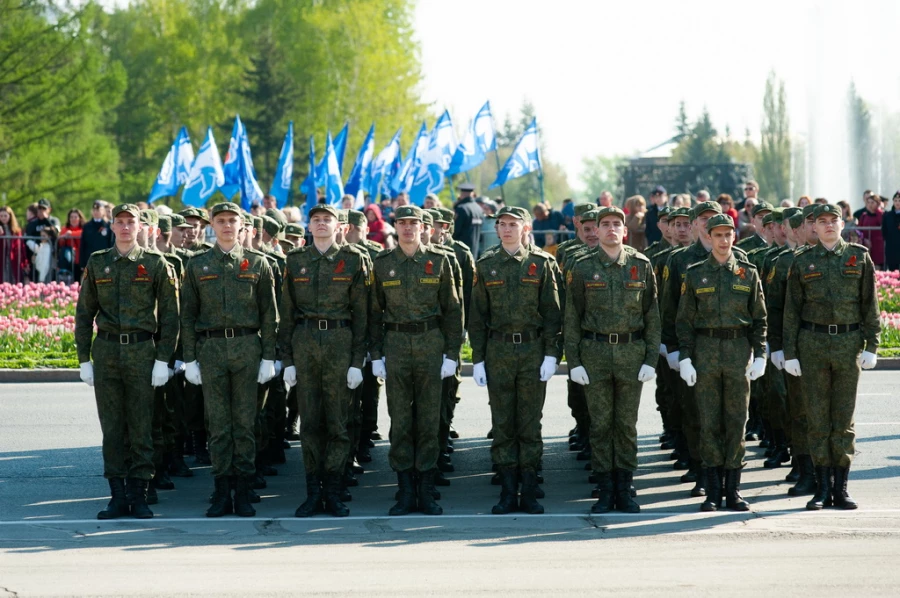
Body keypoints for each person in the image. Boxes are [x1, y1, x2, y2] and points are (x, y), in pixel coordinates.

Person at [74, 203, 179, 520]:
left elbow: (171, 318)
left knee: (141, 427)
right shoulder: (98, 262)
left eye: (129, 222)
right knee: (113, 429)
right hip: (106, 352)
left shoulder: (155, 264)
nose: (124, 227)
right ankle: (117, 496)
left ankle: (140, 494)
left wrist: (163, 359)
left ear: (139, 226)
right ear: (112, 226)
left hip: (141, 352)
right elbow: (83, 314)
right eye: (118, 222)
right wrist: (83, 359)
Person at [181, 202, 278, 518]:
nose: (226, 225)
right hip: (211, 350)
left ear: (241, 226)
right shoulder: (198, 265)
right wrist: (190, 359)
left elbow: (269, 315)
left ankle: (245, 489)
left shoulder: (257, 263)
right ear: (211, 224)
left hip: (247, 348)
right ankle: (222, 489)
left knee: (245, 424)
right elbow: (187, 315)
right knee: (219, 426)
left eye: (232, 221)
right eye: (220, 220)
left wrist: (268, 357)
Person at [782, 203, 880, 510]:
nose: (827, 225)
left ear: (842, 223)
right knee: (817, 418)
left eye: (832, 220)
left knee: (843, 419)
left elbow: (870, 305)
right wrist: (791, 353)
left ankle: (842, 488)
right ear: (813, 227)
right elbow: (792, 311)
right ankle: (822, 488)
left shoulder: (859, 257)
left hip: (848, 344)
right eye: (821, 221)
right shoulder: (802, 261)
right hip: (812, 344)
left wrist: (872, 345)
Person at [566, 206, 660, 514]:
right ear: (596, 228)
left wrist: (650, 358)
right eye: (603, 224)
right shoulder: (581, 267)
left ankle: (626, 486)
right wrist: (575, 361)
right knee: (601, 424)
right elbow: (572, 317)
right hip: (594, 353)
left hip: (631, 354)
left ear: (624, 230)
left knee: (626, 424)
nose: (609, 229)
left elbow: (652, 316)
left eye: (615, 224)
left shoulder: (641, 265)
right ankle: (605, 488)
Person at [369, 205, 462, 516]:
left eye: (414, 223)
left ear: (426, 227)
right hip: (395, 345)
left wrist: (452, 354)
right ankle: (405, 489)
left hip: (430, 343)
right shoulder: (382, 263)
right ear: (395, 226)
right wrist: (376, 354)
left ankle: (426, 488)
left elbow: (453, 310)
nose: (408, 228)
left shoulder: (440, 260)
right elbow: (373, 313)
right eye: (403, 223)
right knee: (400, 420)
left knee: (429, 420)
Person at [469, 206, 561, 515]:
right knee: (503, 423)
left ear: (525, 228)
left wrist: (552, 354)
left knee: (529, 423)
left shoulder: (542, 263)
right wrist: (478, 359)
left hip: (533, 350)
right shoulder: (485, 265)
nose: (507, 229)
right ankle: (508, 492)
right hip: (498, 351)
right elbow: (478, 318)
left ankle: (530, 490)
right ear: (496, 229)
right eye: (502, 224)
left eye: (513, 224)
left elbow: (552, 314)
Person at [279, 204, 368, 518]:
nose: (320, 224)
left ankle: (333, 490)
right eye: (315, 219)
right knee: (310, 424)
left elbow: (362, 315)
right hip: (305, 343)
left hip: (339, 344)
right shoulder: (295, 260)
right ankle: (312, 492)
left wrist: (358, 361)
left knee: (338, 424)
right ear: (309, 225)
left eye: (326, 219)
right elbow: (286, 314)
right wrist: (287, 359)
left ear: (338, 225)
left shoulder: (355, 261)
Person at [676, 213, 767, 512]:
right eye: (718, 235)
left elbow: (759, 319)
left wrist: (761, 354)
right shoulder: (695, 274)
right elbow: (684, 322)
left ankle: (734, 489)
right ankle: (713, 490)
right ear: (709, 237)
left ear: (734, 237)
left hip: (738, 352)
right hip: (706, 353)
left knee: (737, 422)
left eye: (728, 235)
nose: (724, 240)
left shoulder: (747, 273)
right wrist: (686, 358)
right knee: (710, 423)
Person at [79, 201, 114, 276]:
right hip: (90, 259)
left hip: (104, 259)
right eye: (94, 210)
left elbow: (111, 243)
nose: (96, 212)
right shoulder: (87, 226)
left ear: (103, 211)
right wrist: (82, 263)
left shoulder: (108, 226)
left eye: (98, 210)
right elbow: (83, 245)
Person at [452, 183, 484, 256]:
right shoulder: (479, 209)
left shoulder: (461, 209)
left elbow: (455, 231)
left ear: (461, 194)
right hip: (474, 251)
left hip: (461, 252)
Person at [857, 194, 884, 268]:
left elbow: (882, 223)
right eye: (868, 202)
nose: (870, 205)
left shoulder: (881, 214)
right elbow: (859, 230)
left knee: (877, 267)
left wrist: (878, 210)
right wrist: (864, 239)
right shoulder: (864, 215)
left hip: (878, 246)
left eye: (872, 203)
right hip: (866, 244)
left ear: (877, 203)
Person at [0, 206, 26, 283]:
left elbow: (21, 246)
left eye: (5, 216)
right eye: (1, 216)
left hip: (13, 259)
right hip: (2, 259)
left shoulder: (16, 230)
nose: (3, 218)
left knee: (14, 280)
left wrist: (24, 261)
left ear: (10, 216)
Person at [59, 208, 85, 281]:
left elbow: (84, 233)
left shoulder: (84, 228)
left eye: (75, 217)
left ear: (80, 218)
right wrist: (63, 238)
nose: (73, 219)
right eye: (71, 217)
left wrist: (71, 234)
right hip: (69, 259)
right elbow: (60, 242)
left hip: (80, 258)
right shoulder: (65, 229)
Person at [882, 191, 900, 270]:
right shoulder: (888, 215)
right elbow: (884, 230)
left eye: (899, 200)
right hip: (892, 246)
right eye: (895, 200)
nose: (897, 203)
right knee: (893, 269)